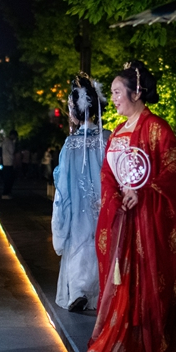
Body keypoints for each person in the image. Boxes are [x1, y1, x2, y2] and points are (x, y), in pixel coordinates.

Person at [74, 60, 176, 352]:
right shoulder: (119, 132)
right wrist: (115, 197)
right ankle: (116, 346)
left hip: (146, 224)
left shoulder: (157, 128)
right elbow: (108, 174)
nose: (112, 99)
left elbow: (173, 172)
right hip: (124, 221)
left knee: (144, 287)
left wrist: (147, 190)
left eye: (116, 92)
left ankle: (140, 350)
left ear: (136, 92)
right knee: (120, 287)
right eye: (111, 93)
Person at [51, 74, 110, 312]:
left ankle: (78, 291)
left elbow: (62, 184)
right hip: (104, 204)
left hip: (76, 207)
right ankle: (100, 292)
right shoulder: (107, 138)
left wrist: (60, 216)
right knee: (101, 243)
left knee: (78, 241)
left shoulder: (70, 144)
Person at [1, 130, 17, 199]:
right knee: (9, 179)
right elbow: (12, 151)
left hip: (5, 162)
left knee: (7, 179)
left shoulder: (4, 142)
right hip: (9, 163)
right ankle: (6, 193)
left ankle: (6, 193)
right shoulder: (10, 142)